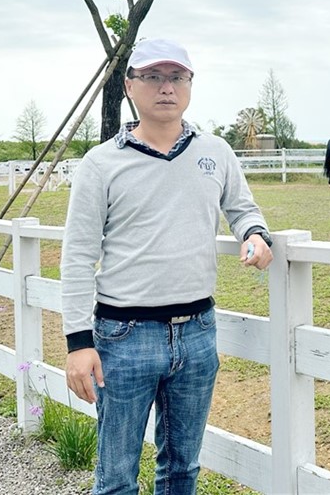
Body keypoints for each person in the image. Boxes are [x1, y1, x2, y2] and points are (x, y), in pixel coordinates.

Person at [60, 38, 274, 495]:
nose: (166, 88)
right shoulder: (101, 164)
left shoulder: (214, 151)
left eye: (177, 77)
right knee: (116, 477)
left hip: (197, 332)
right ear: (129, 86)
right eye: (153, 76)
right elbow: (77, 254)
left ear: (190, 85)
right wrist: (79, 342)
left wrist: (255, 234)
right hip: (124, 336)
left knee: (182, 469)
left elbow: (241, 207)